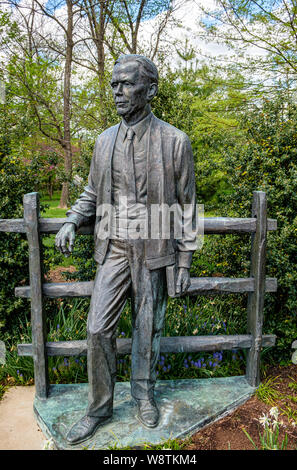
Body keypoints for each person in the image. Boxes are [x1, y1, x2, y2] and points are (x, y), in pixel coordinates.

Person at [55, 54, 197, 445]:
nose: (117, 91)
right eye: (114, 84)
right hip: (114, 248)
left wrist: (184, 261)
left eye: (126, 84)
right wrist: (71, 220)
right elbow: (91, 191)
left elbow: (186, 206)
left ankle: (143, 395)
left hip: (154, 249)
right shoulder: (103, 140)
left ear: (149, 90)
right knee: (97, 327)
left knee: (147, 328)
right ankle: (98, 408)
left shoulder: (175, 141)